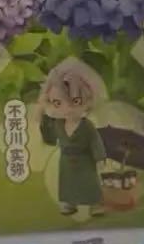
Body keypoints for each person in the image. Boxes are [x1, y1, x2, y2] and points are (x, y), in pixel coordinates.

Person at [38, 60, 107, 216]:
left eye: (75, 101)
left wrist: (100, 157)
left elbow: (95, 141)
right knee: (68, 183)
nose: (68, 108)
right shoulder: (57, 123)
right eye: (58, 103)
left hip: (85, 160)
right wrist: (43, 115)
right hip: (66, 160)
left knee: (89, 182)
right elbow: (49, 137)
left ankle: (95, 204)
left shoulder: (86, 125)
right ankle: (69, 203)